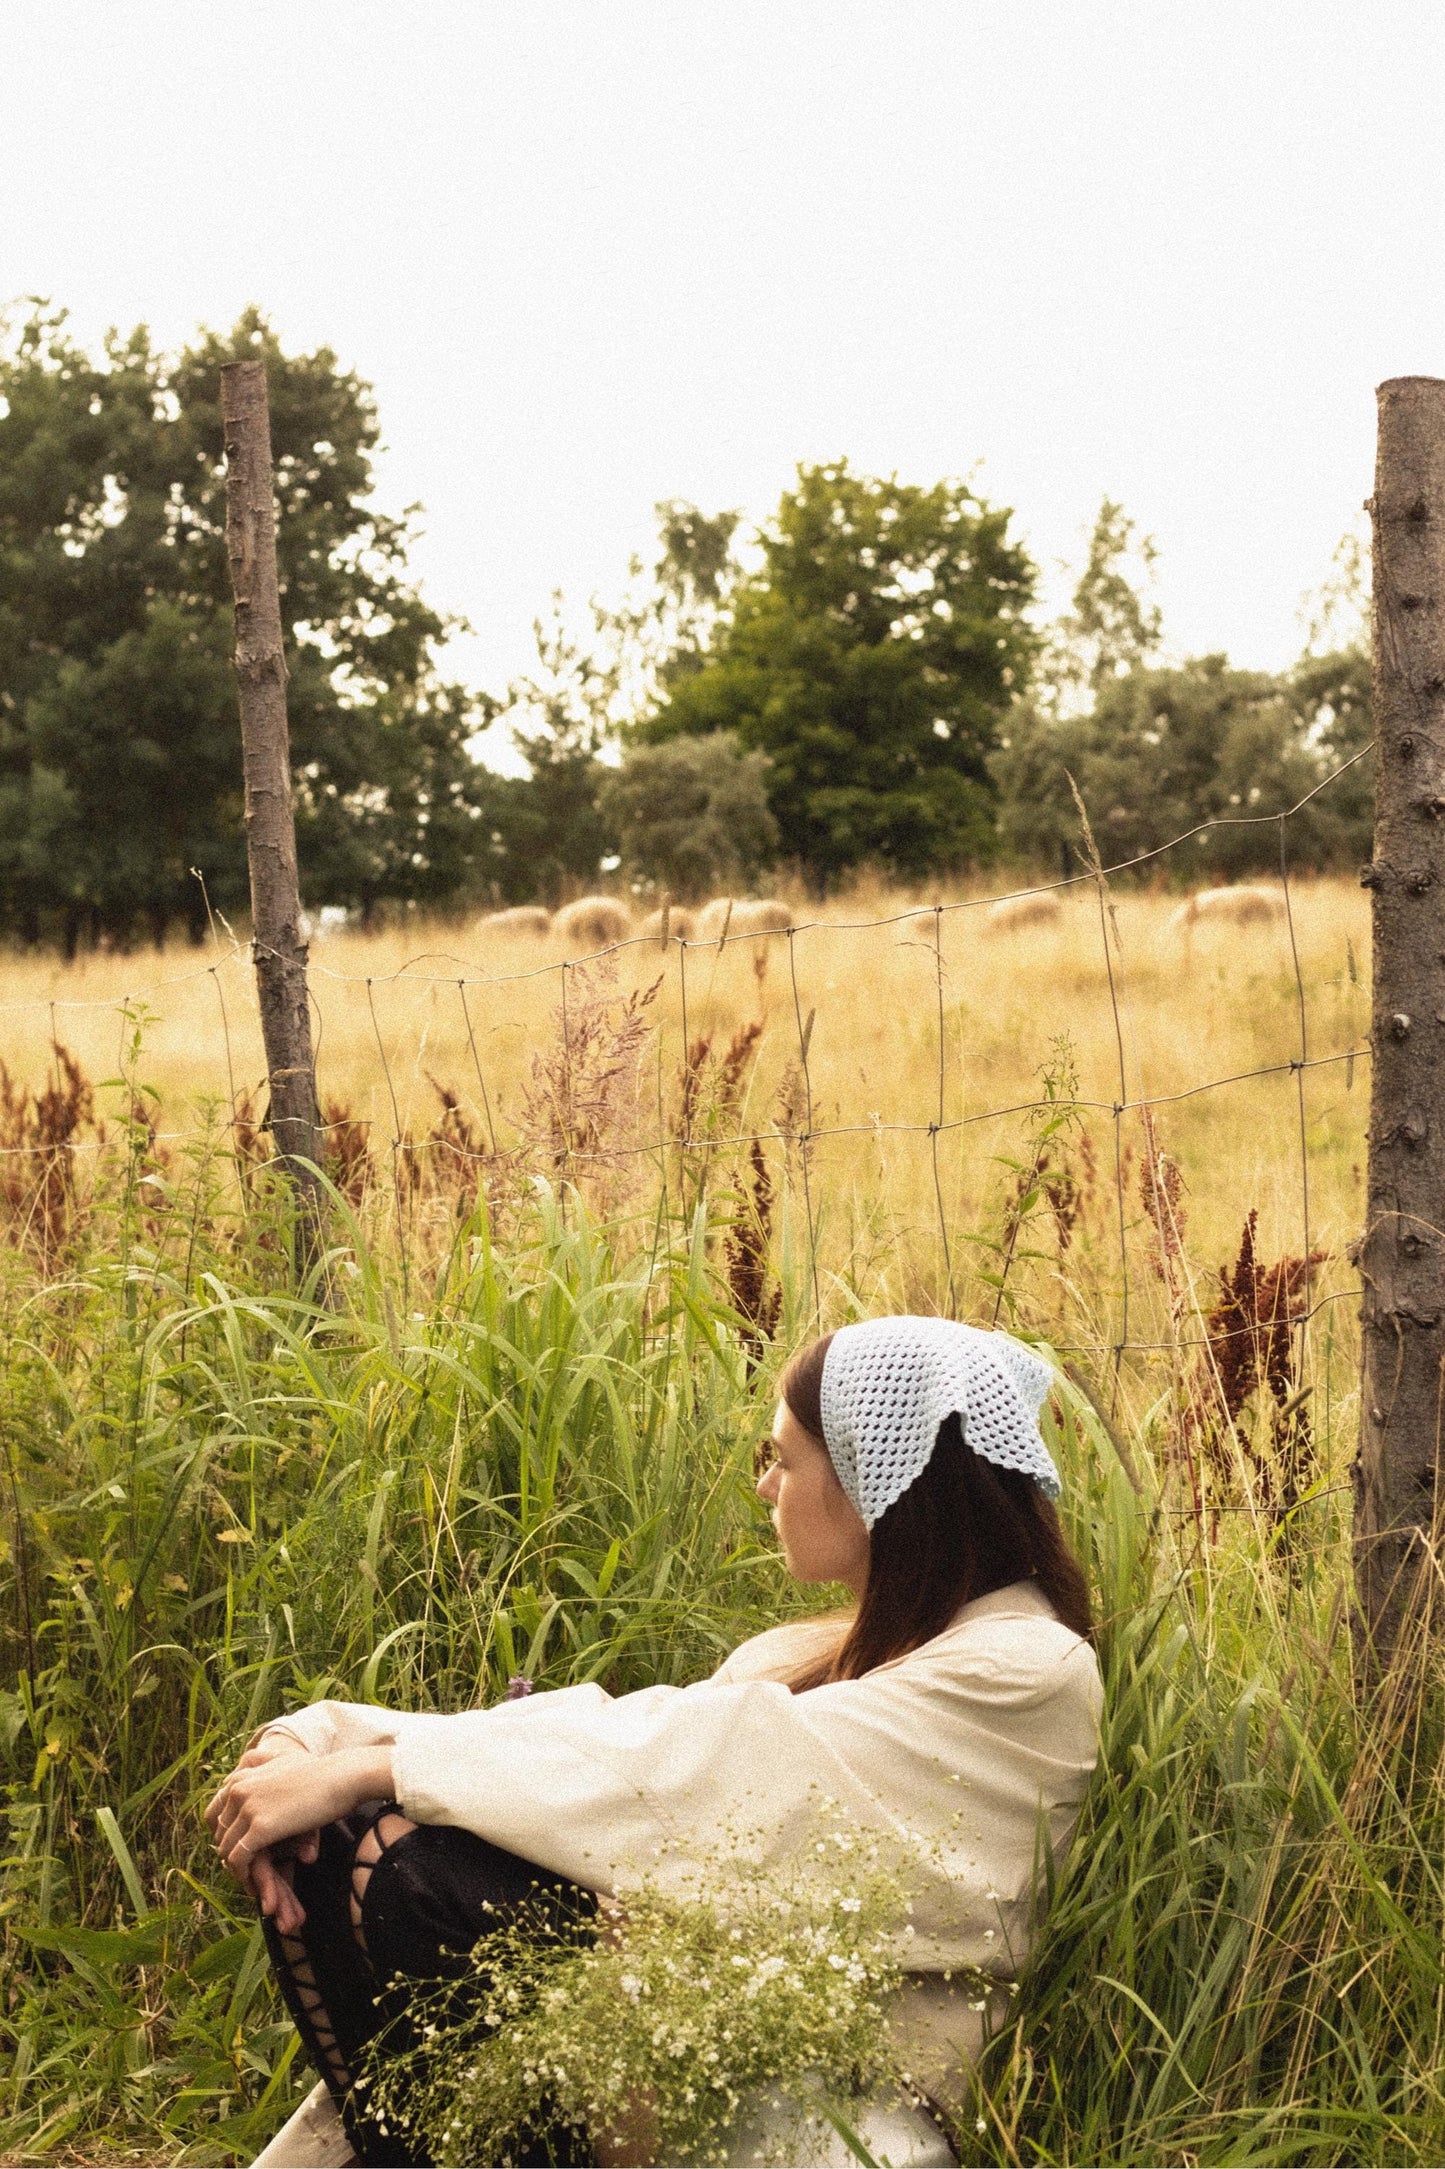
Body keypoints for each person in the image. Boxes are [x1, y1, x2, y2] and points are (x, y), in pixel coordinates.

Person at [206, 1317, 1103, 2166]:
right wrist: (322, 1744)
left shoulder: (1023, 1670)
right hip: (701, 2005)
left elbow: (689, 1767)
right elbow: (605, 1737)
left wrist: (372, 1765)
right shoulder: (811, 1651)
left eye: (781, 1458)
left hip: (829, 2075)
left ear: (875, 1481)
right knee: (337, 1839)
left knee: (410, 1868)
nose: (763, 1485)